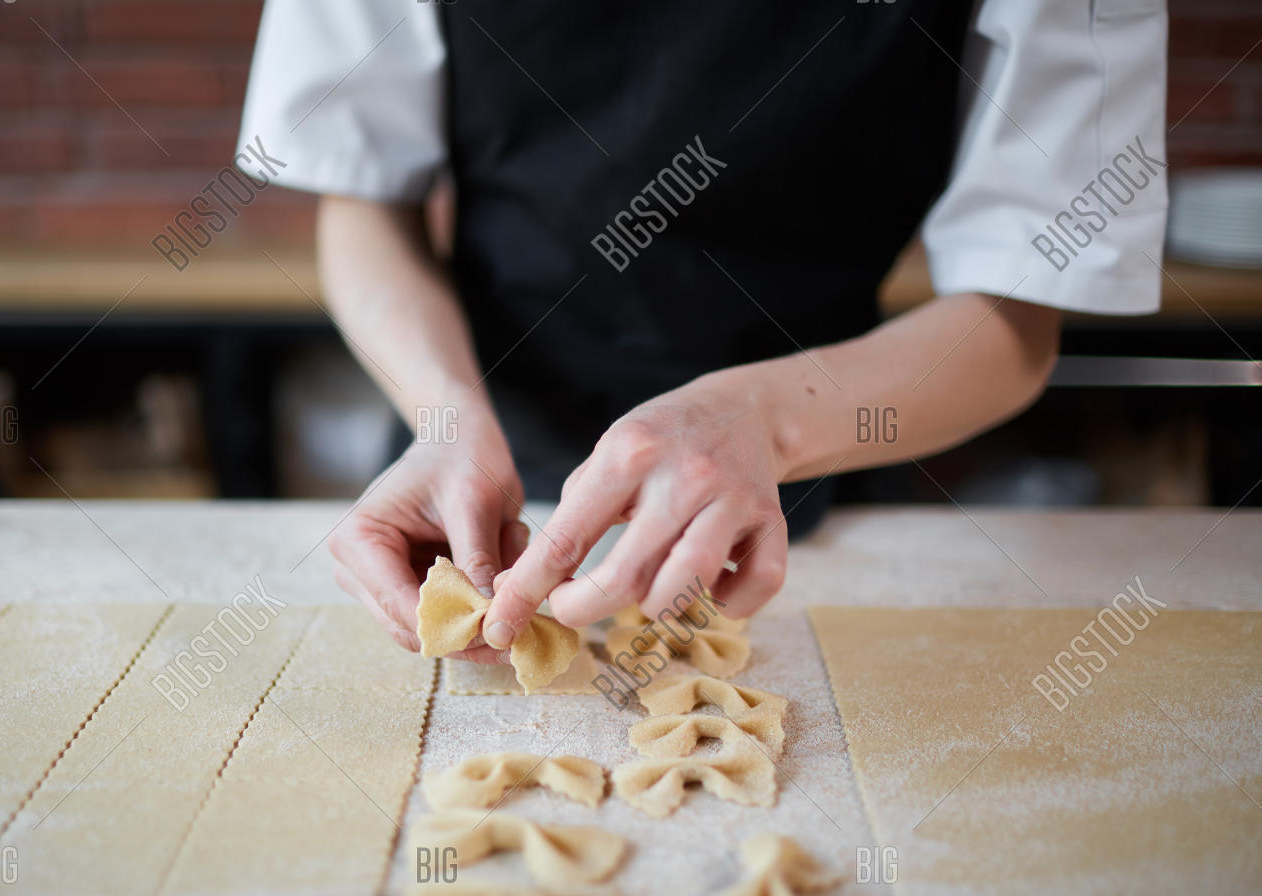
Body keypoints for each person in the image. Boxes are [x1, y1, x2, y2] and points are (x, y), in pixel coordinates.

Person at [238, 0, 1167, 664]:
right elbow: (364, 203)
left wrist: (764, 422)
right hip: (476, 464)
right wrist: (443, 416)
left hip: (821, 472)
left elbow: (1016, 319)